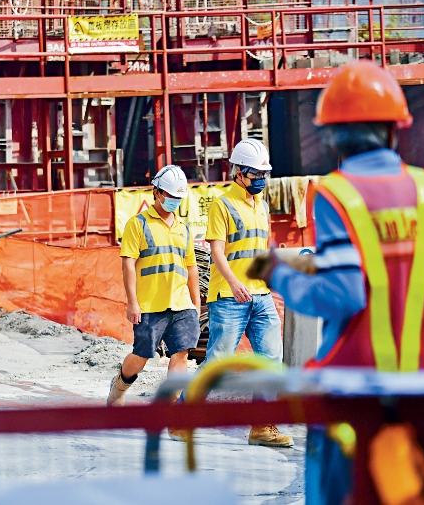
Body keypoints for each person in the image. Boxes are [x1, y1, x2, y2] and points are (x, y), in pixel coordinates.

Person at [248, 61, 424, 503]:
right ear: (396, 129)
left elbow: (343, 294)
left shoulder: (339, 194)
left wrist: (279, 274)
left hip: (355, 390)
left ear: (332, 137)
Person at [192, 139, 292, 447]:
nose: (260, 180)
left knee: (272, 358)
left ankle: (262, 426)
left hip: (260, 296)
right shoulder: (223, 204)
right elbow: (217, 253)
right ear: (238, 173)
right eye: (254, 174)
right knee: (217, 361)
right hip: (229, 297)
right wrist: (235, 283)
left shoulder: (261, 206)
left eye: (263, 174)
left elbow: (257, 251)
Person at [107, 165, 202, 406]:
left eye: (178, 198)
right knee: (141, 356)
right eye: (170, 196)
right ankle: (119, 385)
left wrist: (196, 303)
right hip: (150, 305)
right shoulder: (137, 224)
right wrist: (133, 303)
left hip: (181, 303)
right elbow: (128, 264)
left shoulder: (184, 228)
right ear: (157, 192)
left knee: (181, 353)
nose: (174, 201)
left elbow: (191, 268)